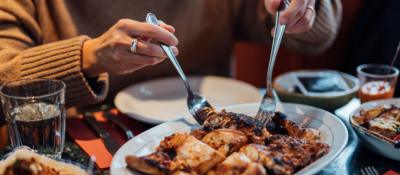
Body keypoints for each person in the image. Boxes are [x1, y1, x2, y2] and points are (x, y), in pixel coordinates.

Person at [0, 0, 342, 108]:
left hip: (213, 136)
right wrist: (89, 57)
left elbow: (314, 39)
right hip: (86, 162)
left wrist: (304, 9)